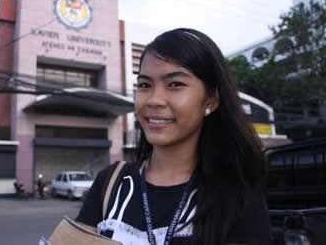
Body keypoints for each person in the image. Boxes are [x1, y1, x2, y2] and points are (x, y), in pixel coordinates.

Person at [76, 28, 271, 244]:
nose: (154, 100)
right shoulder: (111, 183)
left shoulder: (237, 193)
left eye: (175, 84)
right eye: (144, 85)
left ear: (211, 100)